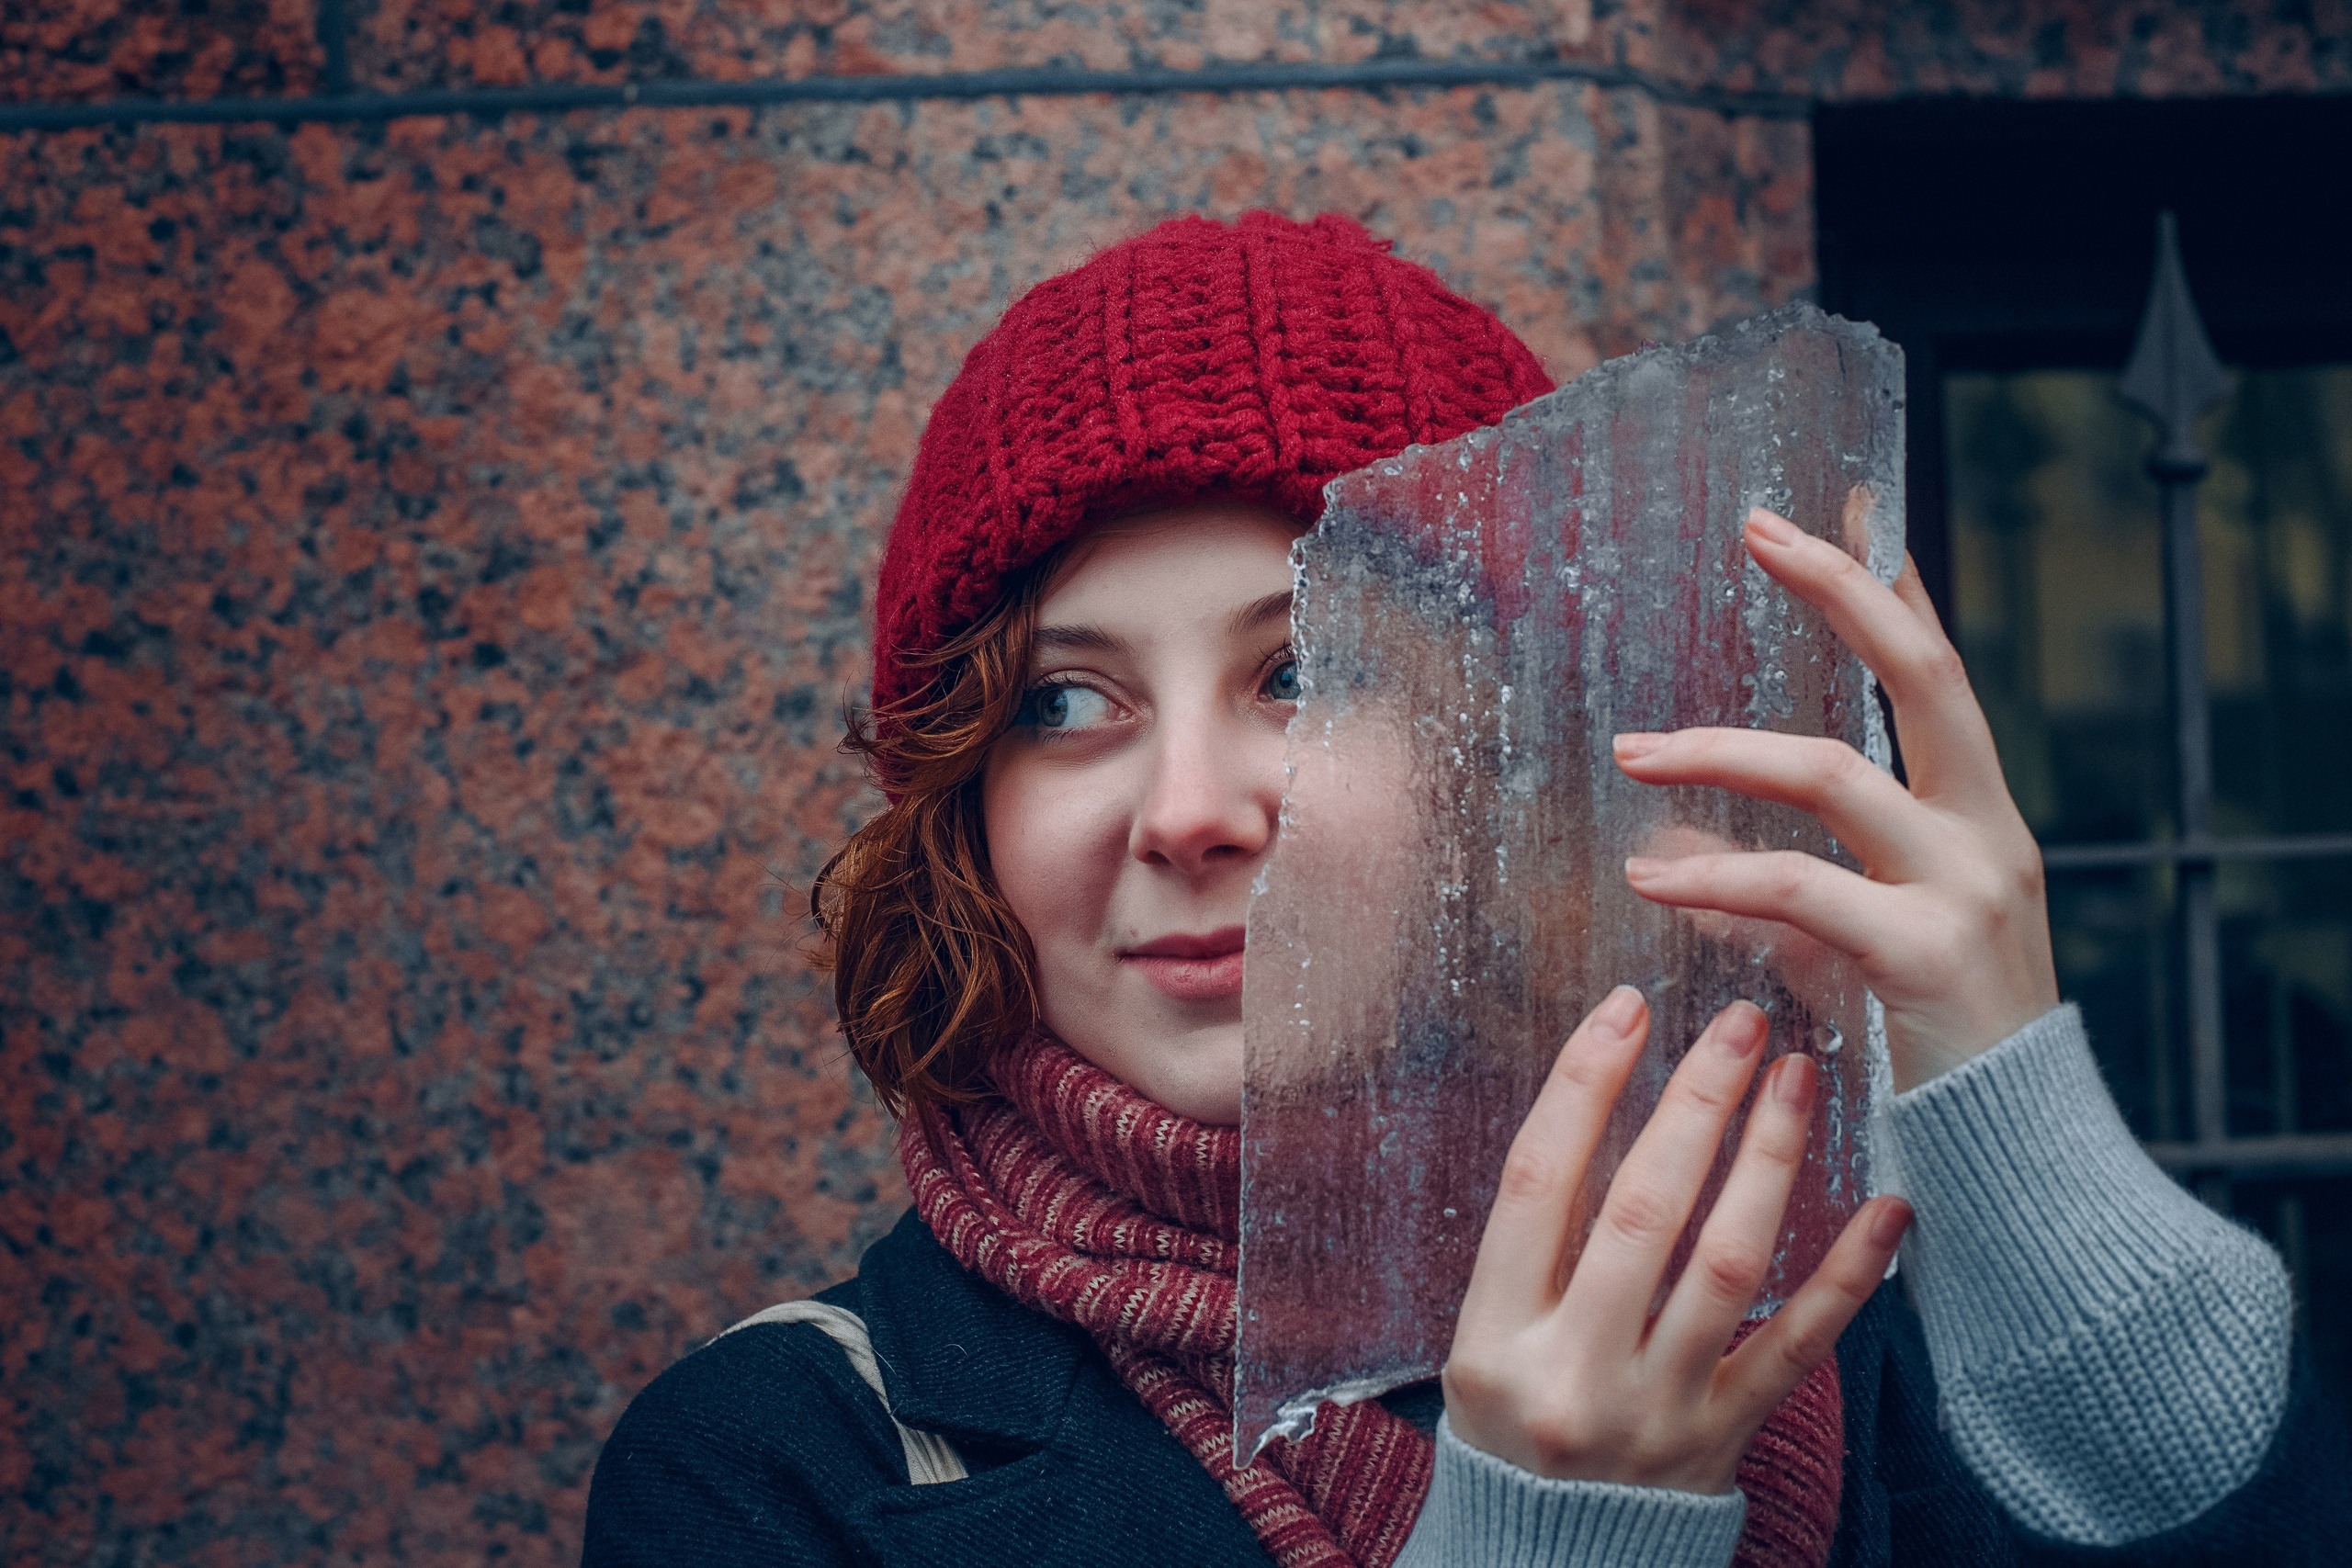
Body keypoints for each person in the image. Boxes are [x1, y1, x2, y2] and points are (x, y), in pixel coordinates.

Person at [580, 212, 2348, 1568]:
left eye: (1306, 672)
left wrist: (2008, 1095)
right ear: (960, 805)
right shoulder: (784, 1462)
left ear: (1508, 771)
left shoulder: (1824, 1315)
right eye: (1063, 703)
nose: (1186, 810)